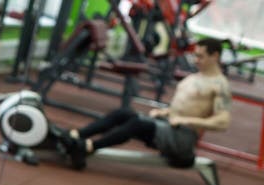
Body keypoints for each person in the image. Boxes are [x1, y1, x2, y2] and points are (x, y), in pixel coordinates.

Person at [66, 37, 232, 169]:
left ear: (215, 56)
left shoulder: (220, 85)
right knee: (123, 113)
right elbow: (185, 106)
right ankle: (78, 134)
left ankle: (88, 147)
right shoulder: (193, 77)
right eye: (195, 55)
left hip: (183, 138)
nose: (195, 60)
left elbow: (222, 122)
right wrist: (165, 112)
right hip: (168, 125)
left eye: (200, 56)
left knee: (137, 124)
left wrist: (186, 120)